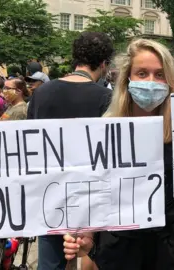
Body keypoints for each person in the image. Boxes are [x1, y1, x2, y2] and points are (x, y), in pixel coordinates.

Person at [62, 38, 174, 270]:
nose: (151, 81)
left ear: (170, 81)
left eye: (160, 75)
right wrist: (86, 235)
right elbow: (93, 188)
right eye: (142, 73)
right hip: (117, 247)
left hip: (165, 246)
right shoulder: (104, 129)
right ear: (128, 78)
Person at [28, 31, 114, 270]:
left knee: (51, 259)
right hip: (91, 195)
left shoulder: (42, 93)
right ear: (104, 63)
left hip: (48, 191)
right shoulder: (107, 98)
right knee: (87, 253)